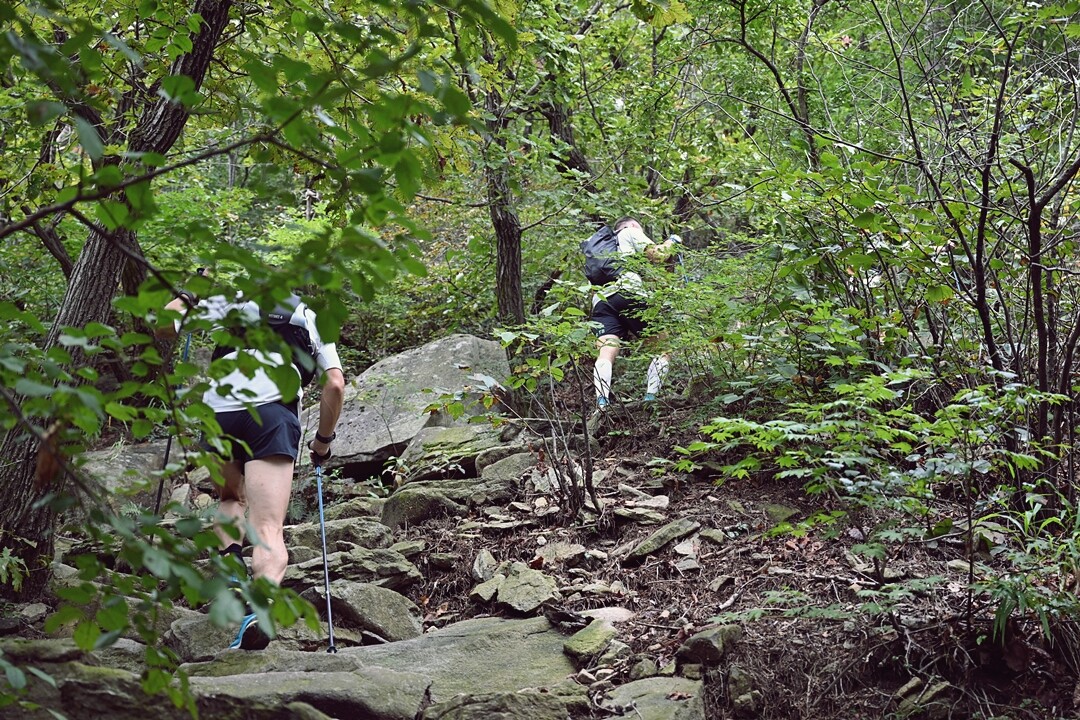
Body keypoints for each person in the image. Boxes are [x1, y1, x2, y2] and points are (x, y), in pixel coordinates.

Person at [158, 283, 345, 650]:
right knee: (268, 525)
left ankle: (230, 566)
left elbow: (163, 325)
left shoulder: (230, 303)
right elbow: (335, 385)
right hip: (273, 413)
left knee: (230, 497)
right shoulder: (310, 315)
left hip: (219, 413)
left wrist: (188, 293)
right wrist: (322, 443)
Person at [591, 216, 677, 409]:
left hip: (601, 301)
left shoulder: (602, 248)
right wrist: (673, 241)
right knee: (663, 348)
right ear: (630, 226)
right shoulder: (629, 231)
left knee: (606, 351)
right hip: (628, 292)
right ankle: (650, 398)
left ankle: (602, 402)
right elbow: (658, 254)